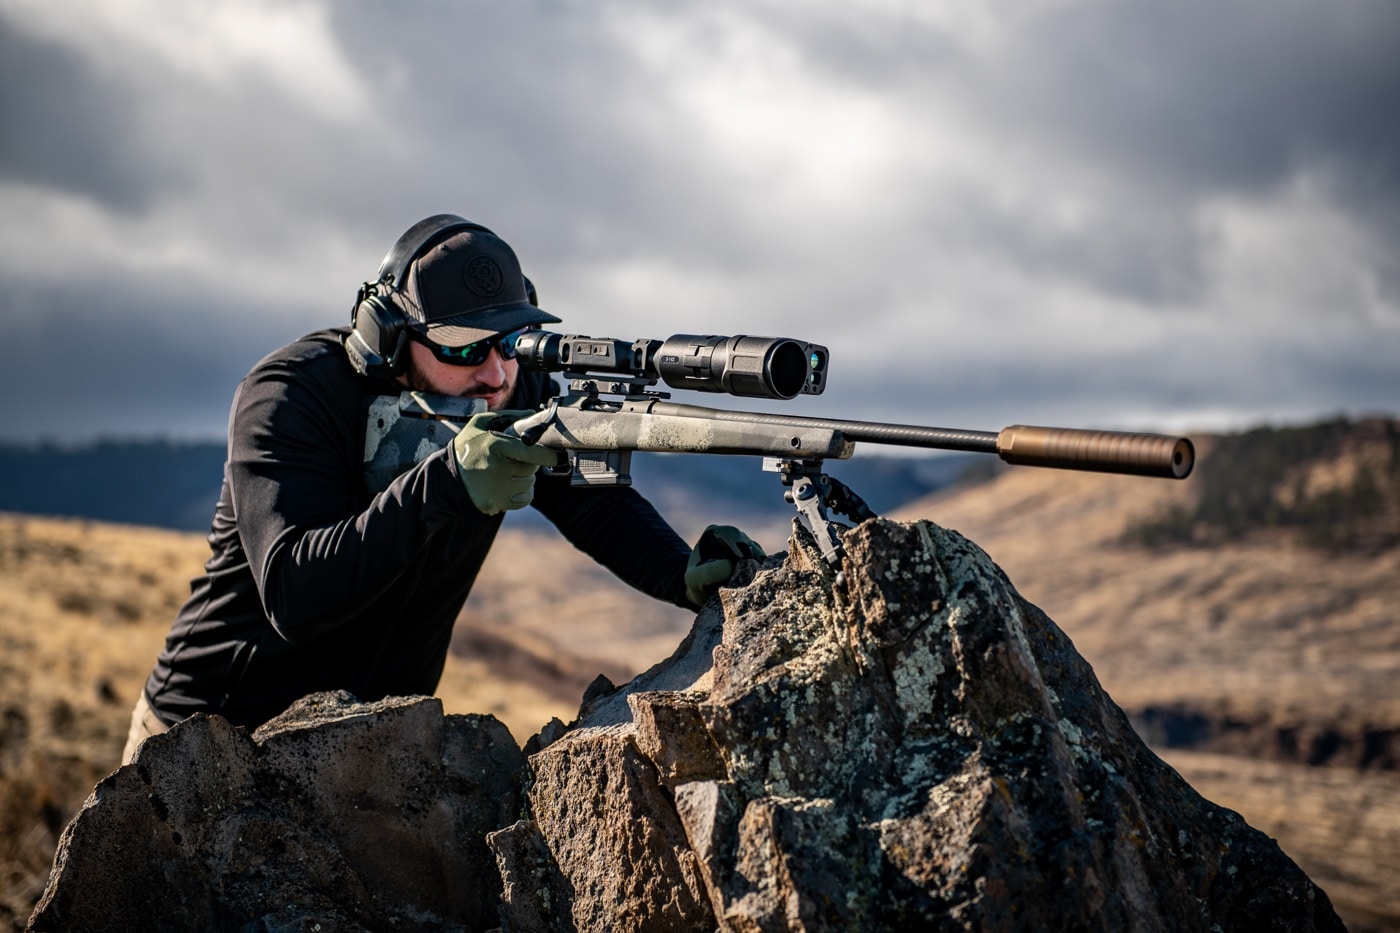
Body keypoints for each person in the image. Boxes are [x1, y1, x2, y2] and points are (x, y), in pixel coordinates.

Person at [122, 214, 761, 765]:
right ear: (390, 339)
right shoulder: (291, 394)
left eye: (511, 344)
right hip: (212, 739)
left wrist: (682, 574)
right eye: (464, 350)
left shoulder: (512, 385)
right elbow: (295, 593)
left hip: (377, 743)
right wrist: (448, 483)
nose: (495, 372)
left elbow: (592, 502)